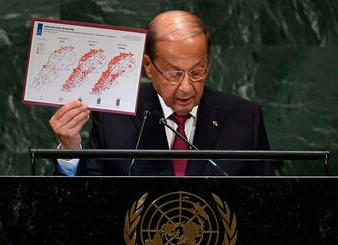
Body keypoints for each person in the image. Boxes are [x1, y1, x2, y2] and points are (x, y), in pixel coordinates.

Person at [49, 10, 273, 176]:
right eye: (174, 74)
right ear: (148, 66)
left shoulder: (244, 117)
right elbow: (87, 199)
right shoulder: (113, 118)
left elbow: (269, 199)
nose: (186, 87)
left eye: (197, 71)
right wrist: (69, 150)